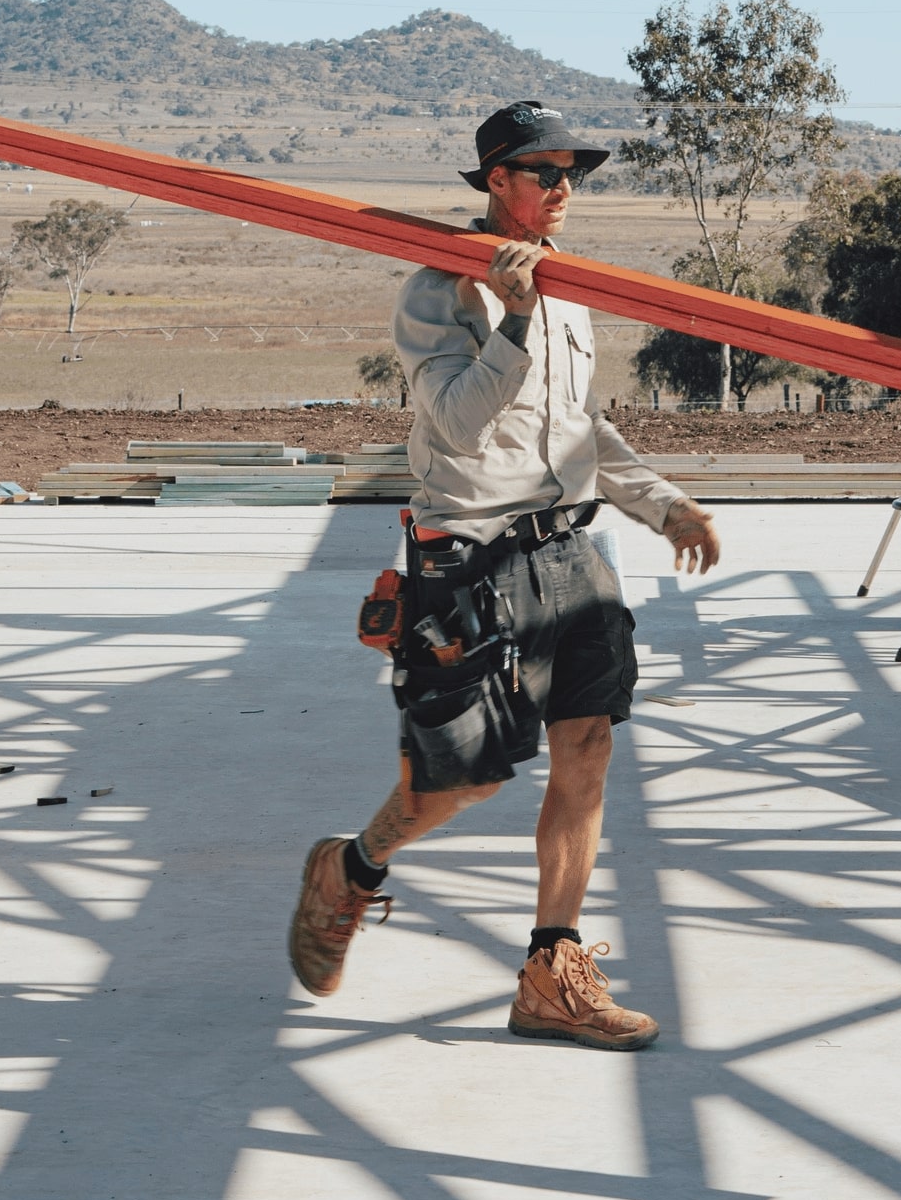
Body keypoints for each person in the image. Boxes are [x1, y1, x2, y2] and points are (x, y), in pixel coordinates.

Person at [288, 100, 720, 1049]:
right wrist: (512, 321)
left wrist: (663, 501)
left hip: (572, 548)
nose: (564, 190)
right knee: (461, 782)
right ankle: (352, 869)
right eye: (544, 173)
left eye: (573, 176)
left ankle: (551, 973)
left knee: (588, 748)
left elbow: (582, 427)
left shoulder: (572, 287)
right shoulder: (440, 289)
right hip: (472, 559)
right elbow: (457, 425)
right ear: (496, 182)